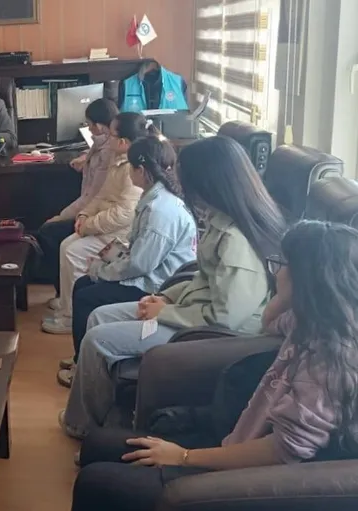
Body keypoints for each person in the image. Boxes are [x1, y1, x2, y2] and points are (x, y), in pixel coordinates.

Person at [72, 220, 358, 511]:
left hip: (260, 475)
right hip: (241, 437)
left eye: (284, 265)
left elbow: (284, 449)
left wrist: (184, 457)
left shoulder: (330, 360)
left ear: (308, 278)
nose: (276, 272)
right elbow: (271, 321)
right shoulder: (312, 323)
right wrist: (286, 295)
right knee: (98, 443)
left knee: (96, 482)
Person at [60, 136, 287, 439]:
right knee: (99, 316)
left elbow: (225, 318)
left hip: (210, 334)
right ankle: (105, 410)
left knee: (97, 340)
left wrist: (165, 313)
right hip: (191, 311)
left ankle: (81, 424)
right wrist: (165, 297)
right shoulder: (221, 221)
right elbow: (202, 278)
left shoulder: (237, 242)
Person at [55, 135, 197, 387]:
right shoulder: (153, 198)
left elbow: (139, 265)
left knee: (88, 296)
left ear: (141, 170)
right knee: (83, 285)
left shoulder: (161, 210)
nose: (129, 172)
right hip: (148, 273)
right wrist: (105, 265)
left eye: (131, 167)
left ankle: (83, 367)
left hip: (158, 284)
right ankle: (82, 356)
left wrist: (101, 270)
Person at [42, 112, 149, 335]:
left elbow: (124, 214)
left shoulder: (133, 167)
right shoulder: (117, 160)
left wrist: (89, 225)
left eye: (112, 135)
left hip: (121, 232)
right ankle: (66, 304)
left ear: (123, 142)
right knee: (66, 244)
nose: (107, 139)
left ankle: (71, 317)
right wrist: (84, 216)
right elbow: (100, 196)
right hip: (103, 224)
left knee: (73, 251)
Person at [35, 98, 118, 302]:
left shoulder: (108, 153)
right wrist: (85, 158)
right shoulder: (103, 144)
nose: (88, 129)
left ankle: (62, 292)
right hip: (91, 210)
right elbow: (93, 151)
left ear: (99, 126)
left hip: (96, 215)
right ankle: (63, 293)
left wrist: (60, 216)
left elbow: (91, 197)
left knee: (49, 230)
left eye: (89, 124)